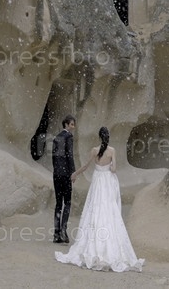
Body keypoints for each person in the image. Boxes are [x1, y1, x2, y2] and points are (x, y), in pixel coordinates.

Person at [55, 127, 144, 272]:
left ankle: (92, 243)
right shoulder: (112, 151)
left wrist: (75, 174)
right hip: (107, 182)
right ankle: (109, 246)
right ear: (108, 137)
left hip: (97, 182)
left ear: (99, 137)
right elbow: (114, 170)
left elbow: (86, 166)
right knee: (108, 210)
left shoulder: (94, 150)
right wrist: (110, 165)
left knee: (94, 208)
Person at [52, 115, 76, 243]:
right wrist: (73, 172)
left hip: (57, 174)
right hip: (66, 174)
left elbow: (54, 157)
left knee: (58, 204)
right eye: (72, 124)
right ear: (66, 124)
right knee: (67, 202)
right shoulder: (69, 137)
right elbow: (70, 155)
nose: (73, 127)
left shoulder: (56, 137)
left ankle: (56, 234)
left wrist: (57, 170)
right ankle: (63, 231)